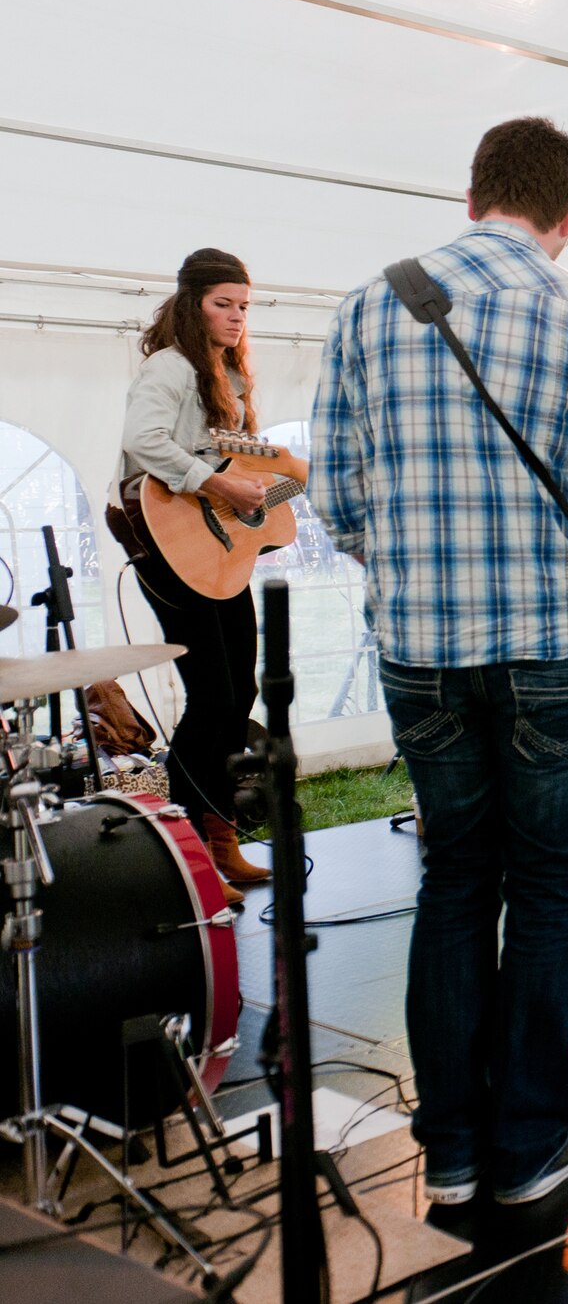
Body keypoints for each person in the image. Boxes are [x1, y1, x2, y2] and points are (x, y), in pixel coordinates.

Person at [313, 118, 568, 1207]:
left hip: (420, 650)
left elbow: (337, 501)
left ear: (474, 191)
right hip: (550, 647)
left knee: (453, 881)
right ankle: (528, 1143)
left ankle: (445, 1153)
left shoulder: (368, 302)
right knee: (544, 890)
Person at [117, 248, 275, 907]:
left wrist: (258, 494)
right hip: (166, 548)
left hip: (216, 552)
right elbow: (145, 439)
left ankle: (221, 839)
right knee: (211, 695)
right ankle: (190, 859)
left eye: (243, 305)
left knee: (240, 691)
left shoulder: (228, 378)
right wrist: (217, 483)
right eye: (223, 304)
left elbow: (237, 467)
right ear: (193, 304)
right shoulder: (171, 365)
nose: (237, 317)